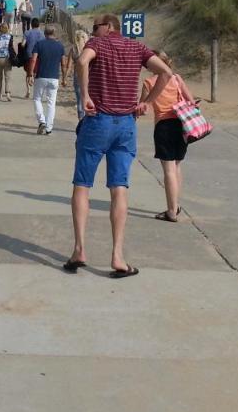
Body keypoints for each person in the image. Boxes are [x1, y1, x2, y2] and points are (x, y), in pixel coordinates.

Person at [65, 14, 173, 278]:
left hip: (98, 121)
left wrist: (86, 95)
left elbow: (81, 61)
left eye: (96, 27)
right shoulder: (137, 48)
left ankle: (80, 249)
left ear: (108, 26)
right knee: (119, 188)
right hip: (125, 124)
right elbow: (166, 72)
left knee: (82, 184)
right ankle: (117, 256)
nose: (93, 31)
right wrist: (147, 101)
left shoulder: (97, 44)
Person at [138, 50, 195, 221]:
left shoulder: (149, 82)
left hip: (163, 125)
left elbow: (143, 108)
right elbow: (191, 100)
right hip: (181, 124)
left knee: (168, 169)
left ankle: (171, 211)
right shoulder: (176, 78)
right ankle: (175, 205)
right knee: (177, 166)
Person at [29, 25, 65, 134]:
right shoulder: (60, 46)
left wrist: (30, 74)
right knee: (51, 103)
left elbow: (34, 59)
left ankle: (42, 121)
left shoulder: (39, 44)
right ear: (55, 33)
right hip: (54, 77)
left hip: (41, 75)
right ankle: (49, 128)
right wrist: (64, 78)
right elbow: (63, 63)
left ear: (45, 34)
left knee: (37, 99)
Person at [63, 28, 90, 121]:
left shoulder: (73, 49)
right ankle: (88, 119)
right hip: (89, 76)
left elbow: (68, 66)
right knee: (89, 98)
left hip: (77, 76)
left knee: (80, 99)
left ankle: (80, 120)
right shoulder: (89, 49)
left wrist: (65, 78)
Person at [0, 20, 15, 101]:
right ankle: (8, 94)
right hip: (7, 58)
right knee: (7, 77)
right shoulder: (10, 37)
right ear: (7, 29)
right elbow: (12, 49)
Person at [22, 18, 44, 96]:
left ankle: (28, 91)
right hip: (39, 55)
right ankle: (36, 91)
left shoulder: (27, 32)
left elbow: (23, 44)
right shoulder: (42, 34)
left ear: (31, 24)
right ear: (38, 24)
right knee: (36, 73)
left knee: (28, 73)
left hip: (29, 55)